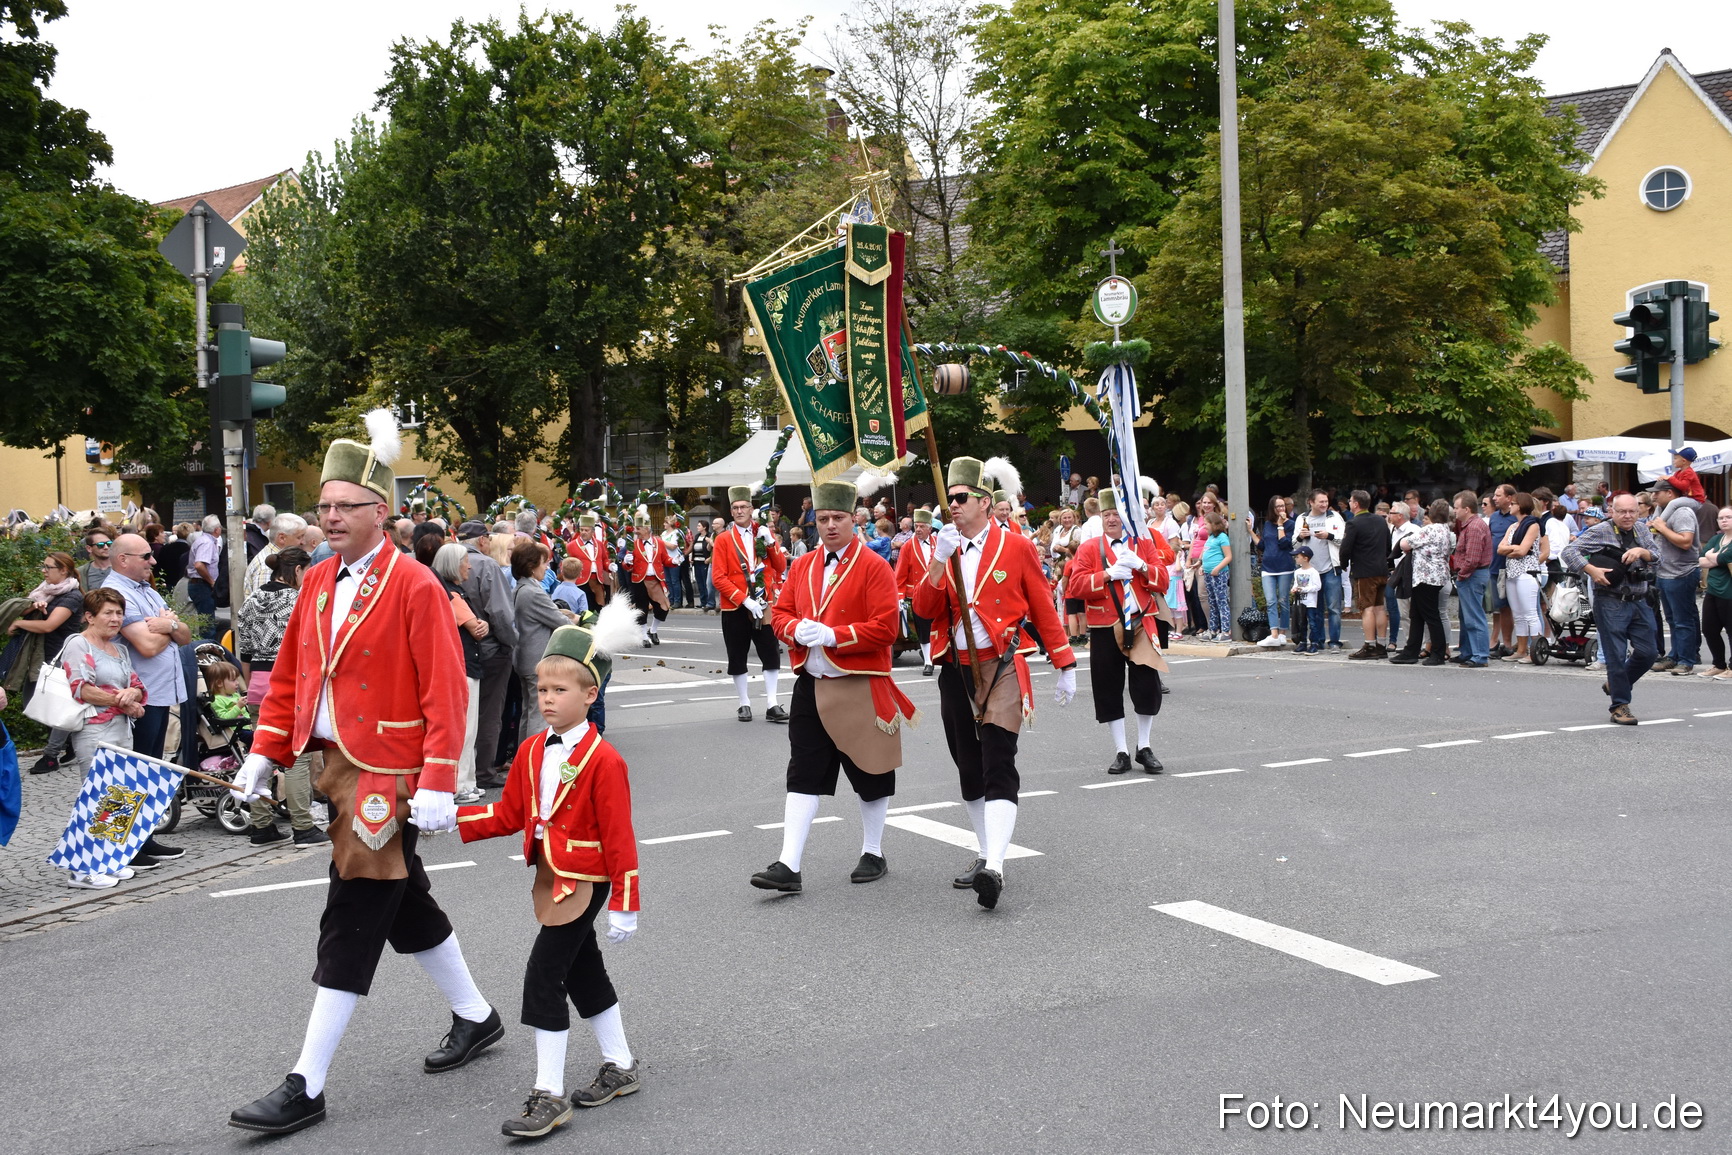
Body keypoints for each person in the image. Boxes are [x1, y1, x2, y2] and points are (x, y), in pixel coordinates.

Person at [228, 410, 502, 1137]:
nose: (332, 516)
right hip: (334, 765)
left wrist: (438, 779)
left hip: (388, 773)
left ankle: (306, 1081)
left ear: (381, 511)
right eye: (324, 505)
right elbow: (292, 679)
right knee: (403, 901)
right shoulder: (317, 579)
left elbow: (445, 689)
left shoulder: (413, 584)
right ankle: (477, 1014)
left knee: (351, 912)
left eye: (346, 505)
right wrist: (264, 753)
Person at [456, 615, 644, 1138]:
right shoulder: (532, 750)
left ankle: (549, 1094)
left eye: (560, 690)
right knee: (583, 971)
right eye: (542, 690)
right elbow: (511, 814)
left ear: (590, 695)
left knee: (543, 976)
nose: (547, 699)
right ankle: (621, 1064)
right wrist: (454, 818)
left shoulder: (605, 760)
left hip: (586, 880)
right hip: (551, 876)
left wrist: (625, 903)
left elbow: (621, 838)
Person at [913, 456, 1078, 910]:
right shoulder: (943, 548)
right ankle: (986, 851)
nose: (952, 506)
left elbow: (1042, 606)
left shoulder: (1016, 546)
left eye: (960, 498)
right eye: (949, 500)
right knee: (968, 765)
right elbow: (923, 610)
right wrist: (938, 561)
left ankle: (996, 867)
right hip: (956, 666)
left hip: (1002, 663)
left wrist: (1064, 662)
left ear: (985, 501)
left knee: (998, 759)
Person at [750, 479, 919, 893]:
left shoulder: (875, 566)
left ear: (853, 520)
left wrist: (833, 635)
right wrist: (794, 630)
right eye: (823, 518)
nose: (829, 525)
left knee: (871, 771)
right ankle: (788, 864)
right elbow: (781, 612)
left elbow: (886, 628)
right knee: (802, 773)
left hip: (859, 684)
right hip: (811, 683)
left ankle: (873, 851)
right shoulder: (803, 564)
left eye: (837, 518)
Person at [1066, 489, 1170, 774]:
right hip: (1104, 627)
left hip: (1140, 623)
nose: (1111, 519)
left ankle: (1144, 747)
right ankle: (1121, 750)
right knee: (1108, 687)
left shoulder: (1143, 544)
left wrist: (1142, 566)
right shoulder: (1089, 548)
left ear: (1126, 518)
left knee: (1147, 686)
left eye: (1116, 514)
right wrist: (1107, 575)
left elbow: (1163, 581)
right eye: (1106, 514)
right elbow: (1076, 586)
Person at [102, 533, 189, 867]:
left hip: (160, 691)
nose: (153, 561)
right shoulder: (119, 593)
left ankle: (144, 837)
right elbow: (147, 646)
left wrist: (168, 624)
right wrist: (170, 626)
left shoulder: (145, 590)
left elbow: (185, 636)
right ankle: (125, 844)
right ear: (123, 559)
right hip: (140, 695)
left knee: (150, 768)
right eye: (146, 556)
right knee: (133, 770)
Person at [235, 547, 328, 847]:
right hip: (291, 684)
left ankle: (261, 826)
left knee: (259, 753)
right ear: (298, 570)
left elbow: (245, 651)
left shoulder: (251, 600)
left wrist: (250, 687)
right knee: (297, 758)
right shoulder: (298, 601)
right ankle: (303, 825)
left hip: (258, 683)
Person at [57, 587, 148, 889]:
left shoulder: (120, 649)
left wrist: (133, 694)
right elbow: (81, 689)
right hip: (94, 729)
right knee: (94, 796)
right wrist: (124, 701)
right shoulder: (78, 643)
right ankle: (81, 869)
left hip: (121, 728)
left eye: (119, 613)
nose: (115, 618)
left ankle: (108, 860)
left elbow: (137, 685)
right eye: (108, 613)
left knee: (119, 795)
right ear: (89, 616)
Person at [1561, 493, 1659, 724]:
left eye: (1632, 511)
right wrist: (1591, 570)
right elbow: (1569, 552)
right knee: (1615, 654)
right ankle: (1620, 706)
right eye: (1622, 511)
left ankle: (1616, 684)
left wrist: (1642, 552)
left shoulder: (1642, 530)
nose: (1627, 516)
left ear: (1639, 511)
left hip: (1639, 599)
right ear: (1612, 511)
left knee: (1648, 653)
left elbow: (1658, 557)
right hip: (1610, 600)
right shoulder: (1600, 530)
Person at [710, 485, 788, 723]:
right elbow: (718, 578)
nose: (739, 511)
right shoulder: (723, 539)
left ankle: (772, 703)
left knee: (770, 652)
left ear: (751, 509)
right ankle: (743, 703)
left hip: (763, 602)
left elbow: (781, 567)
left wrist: (771, 542)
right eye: (735, 508)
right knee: (737, 655)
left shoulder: (762, 533)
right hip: (735, 606)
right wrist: (744, 599)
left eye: (743, 507)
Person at [10, 550, 84, 774]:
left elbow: (49, 625)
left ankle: (50, 756)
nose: (43, 571)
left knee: (60, 708)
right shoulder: (45, 591)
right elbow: (26, 607)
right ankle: (71, 740)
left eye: (48, 567)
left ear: (64, 570)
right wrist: (35, 607)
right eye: (43, 566)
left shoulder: (72, 596)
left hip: (63, 657)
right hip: (41, 657)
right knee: (32, 703)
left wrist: (19, 624)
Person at [457, 520, 518, 789]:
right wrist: (510, 643)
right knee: (490, 713)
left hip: (460, 650)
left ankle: (465, 772)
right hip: (491, 649)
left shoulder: (447, 562)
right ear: (483, 540)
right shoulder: (487, 565)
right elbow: (501, 614)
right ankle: (483, 771)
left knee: (465, 714)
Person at [431, 543, 491, 805]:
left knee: (469, 728)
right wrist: (481, 624)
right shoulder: (452, 594)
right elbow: (476, 628)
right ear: (453, 565)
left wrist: (481, 624)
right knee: (465, 729)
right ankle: (460, 784)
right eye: (465, 561)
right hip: (463, 666)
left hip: (465, 665)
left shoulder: (453, 591)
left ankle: (468, 782)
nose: (469, 566)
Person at [515, 540, 577, 738]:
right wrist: (577, 620)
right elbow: (560, 621)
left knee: (528, 711)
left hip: (524, 657)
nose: (546, 567)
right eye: (544, 563)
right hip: (536, 658)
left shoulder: (521, 588)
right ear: (531, 566)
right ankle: (534, 753)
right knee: (538, 713)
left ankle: (524, 752)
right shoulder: (533, 592)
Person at [1388, 501, 1454, 665]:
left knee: (1431, 616)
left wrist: (1409, 544)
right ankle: (1411, 651)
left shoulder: (1430, 529)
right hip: (1437, 576)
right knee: (1416, 615)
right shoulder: (1445, 529)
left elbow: (1405, 543)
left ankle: (1437, 653)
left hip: (1425, 577)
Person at [1648, 478, 1702, 675]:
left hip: (1681, 572)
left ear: (1670, 493)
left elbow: (1686, 541)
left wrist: (1662, 528)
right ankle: (1675, 656)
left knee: (1683, 620)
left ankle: (1686, 660)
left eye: (1657, 492)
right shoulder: (1662, 511)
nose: (1653, 496)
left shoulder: (1682, 512)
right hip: (1664, 572)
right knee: (1671, 619)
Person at [1339, 490, 1392, 658]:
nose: (1349, 503)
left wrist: (1343, 564)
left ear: (1356, 504)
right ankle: (1381, 645)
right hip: (1381, 569)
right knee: (1380, 608)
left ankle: (1369, 645)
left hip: (1364, 571)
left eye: (1350, 500)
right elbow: (1388, 546)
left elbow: (1345, 548)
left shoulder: (1353, 523)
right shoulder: (1380, 520)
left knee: (1366, 608)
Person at [1496, 493, 1546, 664]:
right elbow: (1500, 548)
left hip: (1527, 572)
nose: (1510, 506)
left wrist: (1510, 549)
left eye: (1513, 503)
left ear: (1521, 505)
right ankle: (1521, 649)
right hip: (1512, 572)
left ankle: (1535, 650)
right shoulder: (1513, 526)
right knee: (1518, 614)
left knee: (1530, 612)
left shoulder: (1533, 525)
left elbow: (1523, 550)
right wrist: (1513, 549)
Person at [1293, 490, 1345, 649]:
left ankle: (1334, 642)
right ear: (1311, 502)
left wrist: (1329, 536)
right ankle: (1318, 641)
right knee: (1315, 609)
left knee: (1334, 608)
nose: (1324, 504)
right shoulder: (1302, 518)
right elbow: (1294, 545)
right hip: (1310, 571)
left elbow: (1344, 540)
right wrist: (1300, 537)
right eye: (1321, 502)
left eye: (1326, 501)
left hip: (1330, 568)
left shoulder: (1334, 517)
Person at [1449, 491, 1493, 668]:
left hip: (1472, 576)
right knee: (1466, 616)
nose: (1454, 511)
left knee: (1474, 617)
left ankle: (1480, 655)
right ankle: (1467, 651)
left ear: (1466, 509)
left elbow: (1472, 559)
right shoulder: (1471, 525)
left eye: (1457, 508)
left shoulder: (1474, 527)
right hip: (1472, 575)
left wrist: (1461, 575)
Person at [893, 508, 938, 675]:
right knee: (923, 628)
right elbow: (900, 574)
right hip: (917, 595)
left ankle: (935, 654)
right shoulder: (907, 547)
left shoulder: (937, 543)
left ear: (929, 528)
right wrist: (899, 597)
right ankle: (928, 661)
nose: (918, 529)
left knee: (939, 626)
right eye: (916, 526)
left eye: (922, 526)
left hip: (938, 592)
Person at [623, 509, 673, 647]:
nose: (636, 531)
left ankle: (653, 630)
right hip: (639, 580)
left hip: (656, 579)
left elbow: (665, 560)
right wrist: (627, 562)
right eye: (635, 528)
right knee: (641, 608)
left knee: (663, 607)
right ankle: (644, 635)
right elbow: (626, 566)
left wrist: (674, 561)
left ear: (647, 529)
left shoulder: (659, 542)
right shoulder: (633, 544)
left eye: (638, 529)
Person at [1697, 506, 1732, 680]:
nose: (1724, 520)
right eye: (1721, 518)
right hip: (1713, 590)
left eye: (1728, 517)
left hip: (1729, 592)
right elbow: (1701, 560)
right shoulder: (1716, 539)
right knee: (1709, 629)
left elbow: (1724, 558)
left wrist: (1714, 557)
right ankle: (1719, 665)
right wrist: (1716, 558)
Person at [1257, 497, 1296, 648]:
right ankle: (1274, 633)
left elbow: (1285, 543)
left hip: (1284, 566)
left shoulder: (1291, 524)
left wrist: (1280, 525)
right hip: (1268, 567)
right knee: (1271, 601)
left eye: (1283, 506)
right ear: (1272, 509)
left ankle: (1282, 633)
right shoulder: (1267, 524)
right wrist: (1250, 532)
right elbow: (1262, 545)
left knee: (1283, 600)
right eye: (1277, 507)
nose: (1281, 509)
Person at [244, 512, 309, 601]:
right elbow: (265, 605)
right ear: (282, 538)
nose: (303, 542)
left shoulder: (276, 559)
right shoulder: (266, 568)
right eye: (299, 537)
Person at [1385, 502, 1420, 653]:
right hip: (1399, 575)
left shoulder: (1414, 530)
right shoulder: (1393, 530)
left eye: (1391, 513)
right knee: (1404, 613)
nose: (1389, 515)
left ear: (1400, 516)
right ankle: (1409, 644)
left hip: (1412, 574)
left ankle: (1421, 645)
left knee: (1415, 612)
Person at [187, 515, 223, 640]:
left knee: (206, 622)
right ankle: (208, 649)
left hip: (200, 584)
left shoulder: (204, 541)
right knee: (207, 626)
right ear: (216, 529)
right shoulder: (207, 543)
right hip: (202, 585)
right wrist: (212, 582)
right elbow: (199, 565)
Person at [1199, 511, 1232, 642]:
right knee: (1212, 602)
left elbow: (1228, 556)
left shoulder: (1222, 537)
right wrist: (1202, 566)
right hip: (1208, 573)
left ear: (1213, 524)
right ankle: (1213, 629)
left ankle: (1226, 630)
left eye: (1206, 523)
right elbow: (1207, 553)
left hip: (1219, 573)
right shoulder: (1211, 537)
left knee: (1221, 601)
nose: (1204, 526)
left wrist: (1217, 568)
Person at [1291, 547, 1323, 653]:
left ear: (1305, 558)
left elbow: (1317, 586)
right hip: (1300, 602)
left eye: (1297, 557)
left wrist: (1303, 589)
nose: (1296, 558)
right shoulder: (1297, 572)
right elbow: (1296, 583)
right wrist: (1294, 589)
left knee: (1312, 623)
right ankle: (1303, 642)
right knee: (1301, 622)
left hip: (1310, 602)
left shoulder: (1313, 572)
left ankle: (1314, 643)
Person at [659, 519, 687, 610]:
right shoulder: (664, 533)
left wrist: (661, 541)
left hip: (674, 559)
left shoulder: (676, 533)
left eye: (665, 522)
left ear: (670, 524)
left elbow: (673, 546)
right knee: (668, 581)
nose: (664, 524)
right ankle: (670, 600)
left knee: (675, 581)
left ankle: (677, 601)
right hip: (665, 559)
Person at [689, 521, 714, 612]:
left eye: (699, 525)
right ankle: (702, 602)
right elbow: (693, 548)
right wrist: (692, 557)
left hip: (705, 562)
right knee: (699, 582)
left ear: (704, 527)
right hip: (697, 562)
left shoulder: (709, 536)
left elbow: (711, 549)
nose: (697, 527)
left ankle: (708, 602)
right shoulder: (697, 536)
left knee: (705, 582)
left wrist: (709, 558)